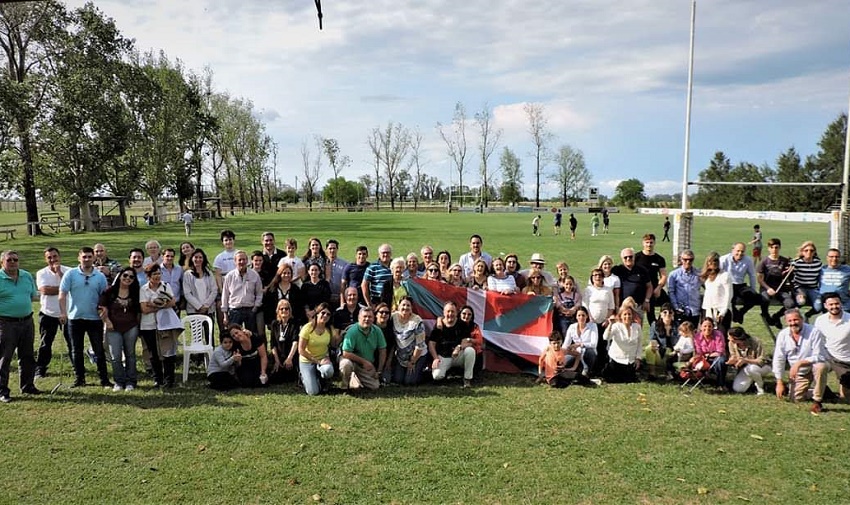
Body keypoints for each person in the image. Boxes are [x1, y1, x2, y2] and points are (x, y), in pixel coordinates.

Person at [59, 247, 111, 389]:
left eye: (89, 256)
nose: (87, 259)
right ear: (79, 258)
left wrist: (104, 312)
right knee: (76, 350)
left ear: (94, 258)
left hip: (94, 318)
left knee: (99, 350)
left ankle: (104, 379)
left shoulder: (99, 277)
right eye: (84, 257)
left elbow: (104, 297)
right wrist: (63, 312)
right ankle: (80, 378)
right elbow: (62, 294)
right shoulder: (70, 274)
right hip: (75, 318)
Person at [0, 250, 40, 402]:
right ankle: (2, 390)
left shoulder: (26, 276)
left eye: (15, 260)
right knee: (4, 357)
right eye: (9, 260)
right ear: (2, 262)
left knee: (27, 355)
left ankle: (28, 385)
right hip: (5, 323)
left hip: (27, 321)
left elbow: (32, 296)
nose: (12, 262)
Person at [772, 308, 827, 413]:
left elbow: (819, 356)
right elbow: (779, 358)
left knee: (821, 367)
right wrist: (779, 382)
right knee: (796, 399)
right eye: (790, 321)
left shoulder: (814, 331)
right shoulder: (783, 335)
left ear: (801, 319)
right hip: (799, 372)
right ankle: (822, 390)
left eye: (796, 320)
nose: (793, 323)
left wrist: (799, 363)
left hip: (814, 366)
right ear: (786, 322)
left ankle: (817, 401)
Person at [100, 267, 142, 392]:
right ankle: (119, 381)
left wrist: (138, 326)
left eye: (131, 277)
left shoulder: (136, 293)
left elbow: (139, 311)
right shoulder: (110, 292)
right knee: (115, 356)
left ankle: (131, 381)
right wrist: (107, 322)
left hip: (131, 327)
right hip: (113, 328)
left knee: (130, 355)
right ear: (120, 276)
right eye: (125, 275)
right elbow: (101, 307)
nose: (128, 278)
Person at [139, 263, 180, 388]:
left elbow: (172, 302)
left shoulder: (165, 286)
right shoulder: (143, 289)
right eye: (154, 274)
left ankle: (169, 380)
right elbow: (144, 309)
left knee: (168, 352)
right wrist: (160, 305)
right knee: (153, 353)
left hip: (165, 325)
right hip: (148, 325)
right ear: (148, 276)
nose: (157, 276)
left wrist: (153, 304)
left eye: (158, 273)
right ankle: (158, 379)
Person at [34, 248, 71, 379]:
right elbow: (44, 290)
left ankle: (77, 367)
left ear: (59, 257)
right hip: (48, 313)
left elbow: (71, 288)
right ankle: (40, 369)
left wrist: (60, 274)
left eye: (55, 256)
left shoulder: (68, 271)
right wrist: (63, 288)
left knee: (72, 342)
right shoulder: (41, 273)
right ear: (46, 259)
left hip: (67, 313)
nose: (52, 260)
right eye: (49, 257)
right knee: (45, 343)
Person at [813, 292, 850, 403]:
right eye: (831, 304)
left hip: (846, 360)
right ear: (825, 305)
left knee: (846, 397)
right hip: (829, 357)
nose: (834, 306)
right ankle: (819, 397)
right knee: (818, 368)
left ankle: (843, 386)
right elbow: (816, 340)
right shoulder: (820, 320)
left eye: (837, 303)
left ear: (841, 303)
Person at [428, 301, 475, 387]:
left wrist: (459, 347)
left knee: (470, 351)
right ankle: (449, 373)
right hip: (443, 356)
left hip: (457, 355)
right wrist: (435, 358)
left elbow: (467, 342)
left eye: (453, 311)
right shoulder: (439, 325)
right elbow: (431, 343)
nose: (450, 314)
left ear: (456, 312)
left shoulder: (462, 324)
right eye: (448, 311)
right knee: (437, 376)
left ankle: (467, 379)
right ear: (444, 313)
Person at [340, 307, 387, 391]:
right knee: (346, 364)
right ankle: (344, 387)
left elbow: (382, 351)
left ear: (373, 318)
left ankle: (355, 378)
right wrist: (364, 362)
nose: (367, 319)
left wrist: (379, 371)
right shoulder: (352, 331)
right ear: (359, 318)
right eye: (364, 316)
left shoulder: (377, 331)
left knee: (374, 386)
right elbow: (346, 353)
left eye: (370, 317)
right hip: (352, 361)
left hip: (366, 364)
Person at [221, 250, 263, 334]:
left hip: (250, 310)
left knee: (252, 336)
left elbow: (259, 293)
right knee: (234, 336)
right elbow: (225, 295)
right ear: (235, 261)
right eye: (239, 260)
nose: (242, 262)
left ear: (247, 261)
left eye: (244, 259)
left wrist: (255, 307)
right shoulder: (229, 276)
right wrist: (225, 315)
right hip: (234, 311)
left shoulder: (254, 275)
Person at [757, 237, 795, 329]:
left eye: (776, 247)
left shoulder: (785, 261)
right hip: (767, 288)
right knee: (764, 299)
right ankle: (766, 315)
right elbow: (760, 279)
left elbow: (789, 275)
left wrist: (791, 270)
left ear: (779, 248)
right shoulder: (764, 261)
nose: (774, 250)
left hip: (781, 289)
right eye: (772, 247)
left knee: (790, 304)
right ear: (768, 248)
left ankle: (777, 316)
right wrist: (768, 288)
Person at [297, 302, 334, 396]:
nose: (325, 316)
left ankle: (322, 380)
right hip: (307, 361)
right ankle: (303, 377)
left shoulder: (329, 329)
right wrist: (317, 361)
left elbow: (329, 346)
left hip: (322, 359)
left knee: (328, 371)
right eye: (323, 313)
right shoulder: (307, 328)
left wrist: (327, 357)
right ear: (317, 314)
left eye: (328, 314)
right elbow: (301, 350)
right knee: (313, 392)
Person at [389, 297, 427, 385]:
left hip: (417, 356)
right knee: (398, 380)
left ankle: (425, 373)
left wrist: (413, 361)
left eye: (408, 305)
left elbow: (420, 345)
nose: (405, 307)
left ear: (411, 308)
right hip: (401, 358)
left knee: (409, 382)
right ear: (398, 306)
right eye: (403, 305)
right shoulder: (393, 317)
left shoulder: (417, 321)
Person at [719, 242, 761, 323]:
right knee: (729, 299)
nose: (740, 253)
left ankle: (741, 312)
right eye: (738, 251)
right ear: (732, 250)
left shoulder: (748, 260)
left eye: (742, 251)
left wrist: (753, 289)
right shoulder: (723, 259)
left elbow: (752, 275)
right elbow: (718, 274)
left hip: (741, 285)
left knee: (756, 297)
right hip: (728, 284)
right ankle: (735, 313)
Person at [634, 233, 669, 325]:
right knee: (637, 317)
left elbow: (664, 275)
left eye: (651, 242)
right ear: (643, 243)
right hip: (640, 290)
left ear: (654, 243)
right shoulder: (636, 257)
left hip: (653, 290)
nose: (649, 245)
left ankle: (658, 329)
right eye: (647, 242)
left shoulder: (659, 259)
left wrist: (659, 288)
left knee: (653, 314)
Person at [602, 306, 642, 383]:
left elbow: (639, 344)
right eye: (625, 314)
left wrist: (638, 358)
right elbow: (606, 337)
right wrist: (610, 324)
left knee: (629, 380)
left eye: (629, 314)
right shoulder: (616, 326)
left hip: (630, 361)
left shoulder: (637, 327)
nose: (627, 316)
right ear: (620, 316)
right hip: (617, 359)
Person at [726, 327, 771, 395]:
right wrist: (732, 360)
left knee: (751, 369)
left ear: (737, 338)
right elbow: (734, 356)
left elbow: (762, 360)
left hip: (763, 366)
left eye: (730, 337)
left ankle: (760, 387)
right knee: (738, 389)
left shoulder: (755, 342)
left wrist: (746, 360)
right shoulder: (731, 343)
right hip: (745, 368)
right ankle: (753, 381)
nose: (728, 339)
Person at [612, 248, 652, 321]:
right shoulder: (616, 270)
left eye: (630, 256)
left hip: (637, 306)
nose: (628, 259)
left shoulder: (642, 270)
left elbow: (649, 286)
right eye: (625, 257)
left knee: (637, 328)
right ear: (622, 258)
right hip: (622, 306)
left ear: (634, 257)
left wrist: (646, 300)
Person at [182, 248, 218, 321]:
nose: (198, 259)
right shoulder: (187, 274)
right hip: (194, 310)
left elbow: (214, 290)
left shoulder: (209, 273)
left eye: (200, 257)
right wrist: (199, 307)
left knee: (209, 332)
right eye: (196, 257)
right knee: (197, 332)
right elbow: (187, 293)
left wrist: (206, 306)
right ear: (192, 258)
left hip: (209, 310)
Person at [268, 299, 299, 384]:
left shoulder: (294, 323)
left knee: (291, 376)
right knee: (275, 378)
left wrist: (289, 358)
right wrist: (277, 361)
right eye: (281, 309)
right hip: (279, 356)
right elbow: (272, 344)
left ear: (290, 310)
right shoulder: (274, 324)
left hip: (291, 356)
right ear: (278, 311)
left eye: (286, 308)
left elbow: (295, 342)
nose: (284, 310)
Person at [667, 249, 701, 327]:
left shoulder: (698, 274)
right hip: (680, 311)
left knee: (694, 334)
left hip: (695, 310)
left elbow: (708, 287)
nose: (688, 262)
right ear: (681, 259)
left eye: (690, 260)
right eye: (685, 259)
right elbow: (671, 292)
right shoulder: (674, 275)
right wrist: (676, 307)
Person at [644, 303, 679, 378]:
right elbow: (652, 338)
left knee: (669, 350)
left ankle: (669, 372)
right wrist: (654, 343)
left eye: (670, 312)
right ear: (661, 314)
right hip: (660, 352)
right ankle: (652, 373)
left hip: (673, 354)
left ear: (673, 314)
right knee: (648, 348)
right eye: (665, 312)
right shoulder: (655, 324)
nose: (667, 314)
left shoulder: (678, 326)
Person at [701, 252, 733, 331]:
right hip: (707, 309)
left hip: (720, 310)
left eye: (716, 260)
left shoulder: (725, 275)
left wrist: (723, 312)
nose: (713, 263)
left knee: (722, 336)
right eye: (711, 261)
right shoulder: (706, 276)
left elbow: (729, 294)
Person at [693, 318, 728, 389]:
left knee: (720, 361)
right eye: (705, 326)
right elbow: (699, 351)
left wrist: (708, 355)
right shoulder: (697, 336)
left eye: (709, 326)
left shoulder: (718, 334)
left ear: (713, 327)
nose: (707, 328)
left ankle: (721, 384)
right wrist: (704, 356)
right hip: (703, 358)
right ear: (700, 327)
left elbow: (720, 351)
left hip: (717, 357)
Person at [564, 306, 598, 378]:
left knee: (590, 352)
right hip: (576, 353)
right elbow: (566, 344)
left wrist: (580, 344)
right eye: (579, 315)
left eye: (583, 315)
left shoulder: (593, 326)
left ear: (587, 316)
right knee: (564, 361)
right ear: (576, 317)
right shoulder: (571, 327)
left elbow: (594, 344)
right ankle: (576, 370)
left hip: (588, 352)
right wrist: (562, 352)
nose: (581, 317)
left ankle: (588, 371)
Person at [791, 241, 822, 318]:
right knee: (801, 301)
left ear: (814, 252)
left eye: (811, 250)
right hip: (800, 287)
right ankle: (796, 315)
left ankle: (807, 315)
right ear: (802, 252)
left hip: (813, 288)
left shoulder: (818, 263)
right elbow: (790, 277)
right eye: (806, 250)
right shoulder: (797, 263)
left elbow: (819, 277)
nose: (809, 252)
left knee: (819, 306)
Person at [326, 239, 348, 306]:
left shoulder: (345, 264)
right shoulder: (322, 263)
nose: (332, 250)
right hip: (325, 297)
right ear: (326, 249)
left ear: (337, 249)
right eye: (330, 248)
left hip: (340, 297)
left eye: (334, 248)